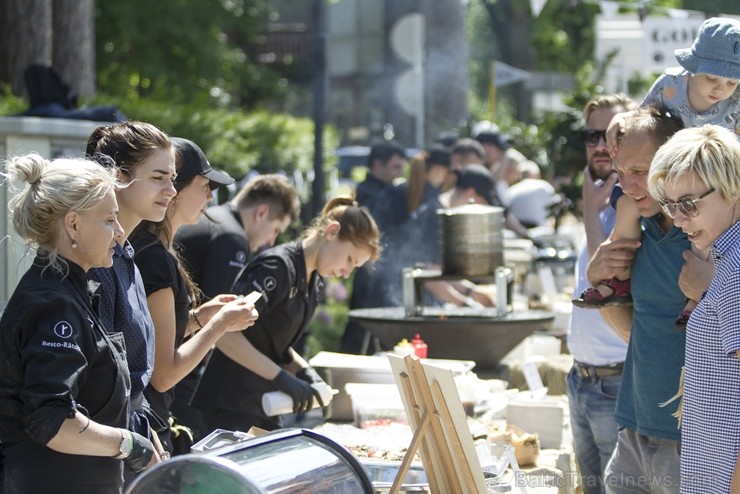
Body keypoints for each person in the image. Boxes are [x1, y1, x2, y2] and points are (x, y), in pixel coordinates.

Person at [0, 154, 155, 493]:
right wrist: (128, 443)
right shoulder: (52, 303)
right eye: (109, 220)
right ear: (72, 225)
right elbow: (52, 421)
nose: (118, 233)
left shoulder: (70, 290)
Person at [573, 17, 740, 328]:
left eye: (731, 82)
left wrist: (709, 288)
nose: (722, 89)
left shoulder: (736, 101)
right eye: (712, 79)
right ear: (693, 68)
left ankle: (696, 300)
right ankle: (615, 280)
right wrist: (619, 120)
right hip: (671, 176)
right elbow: (641, 116)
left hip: (708, 178)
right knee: (624, 203)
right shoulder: (671, 85)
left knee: (701, 236)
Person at [193, 196, 381, 431]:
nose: (346, 273)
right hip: (230, 405)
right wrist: (280, 376)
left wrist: (303, 371)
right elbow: (223, 332)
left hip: (265, 404)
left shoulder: (314, 280)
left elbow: (273, 339)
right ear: (332, 232)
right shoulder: (277, 267)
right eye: (350, 260)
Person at [130, 137, 260, 453]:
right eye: (204, 185)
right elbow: (162, 374)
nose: (211, 195)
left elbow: (148, 335)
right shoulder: (155, 259)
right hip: (145, 428)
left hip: (146, 423)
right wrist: (220, 326)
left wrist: (201, 318)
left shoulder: (155, 250)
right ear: (175, 191)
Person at [586, 107, 691, 493]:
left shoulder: (712, 236)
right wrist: (596, 278)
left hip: (691, 439)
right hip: (633, 427)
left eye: (641, 171)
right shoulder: (638, 225)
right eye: (623, 173)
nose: (629, 186)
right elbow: (633, 325)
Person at [647, 125, 740, 494]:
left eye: (688, 203)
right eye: (670, 206)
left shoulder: (734, 270)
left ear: (731, 187)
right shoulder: (726, 259)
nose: (679, 218)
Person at [172, 172, 299, 441]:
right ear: (261, 212)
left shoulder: (215, 218)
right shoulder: (233, 237)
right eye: (276, 230)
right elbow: (221, 316)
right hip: (176, 362)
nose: (272, 242)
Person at [85, 121, 176, 474]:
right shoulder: (94, 264)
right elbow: (99, 381)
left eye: (172, 177)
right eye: (158, 177)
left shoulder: (126, 257)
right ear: (119, 176)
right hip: (101, 458)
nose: (171, 189)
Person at [566, 94, 636, 494]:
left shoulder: (632, 203)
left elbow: (604, 281)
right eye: (591, 135)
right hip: (581, 379)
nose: (599, 145)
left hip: (615, 381)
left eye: (611, 134)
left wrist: (591, 212)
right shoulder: (600, 196)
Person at [342, 140, 406, 354]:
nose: (399, 174)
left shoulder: (387, 191)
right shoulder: (367, 193)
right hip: (371, 271)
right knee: (363, 327)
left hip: (384, 269)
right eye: (395, 167)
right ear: (378, 164)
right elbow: (361, 233)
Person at [507, 160, 561, 229]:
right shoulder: (543, 186)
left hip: (515, 231)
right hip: (539, 232)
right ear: (537, 174)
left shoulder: (510, 190)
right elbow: (557, 207)